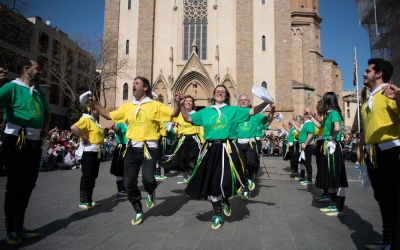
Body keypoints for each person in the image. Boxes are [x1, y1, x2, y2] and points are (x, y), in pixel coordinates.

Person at [87, 76, 180, 226]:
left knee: (148, 179)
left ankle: (150, 191)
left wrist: (179, 103)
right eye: (133, 84)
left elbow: (173, 114)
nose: (133, 86)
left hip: (149, 148)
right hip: (131, 148)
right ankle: (138, 209)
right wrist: (95, 103)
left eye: (137, 83)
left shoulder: (155, 105)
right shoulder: (128, 107)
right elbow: (108, 115)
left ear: (145, 87)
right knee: (129, 183)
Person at [176, 85, 269, 230]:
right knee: (213, 182)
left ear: (226, 95)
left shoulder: (233, 110)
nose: (220, 93)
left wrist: (267, 102)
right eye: (217, 91)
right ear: (213, 94)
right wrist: (181, 105)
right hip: (210, 150)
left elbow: (252, 111)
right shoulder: (205, 112)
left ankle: (225, 198)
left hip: (227, 149)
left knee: (225, 180)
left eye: (223, 92)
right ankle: (217, 213)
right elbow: (187, 118)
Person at [1, 60, 51, 246]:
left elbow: (47, 113)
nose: (39, 71)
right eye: (37, 68)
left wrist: (45, 128)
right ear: (26, 69)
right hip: (16, 140)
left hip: (34, 142)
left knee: (29, 183)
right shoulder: (11, 88)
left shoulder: (38, 92)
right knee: (15, 184)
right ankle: (11, 229)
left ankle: (20, 225)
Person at [358, 58, 399, 250]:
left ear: (379, 73)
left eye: (367, 71)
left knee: (392, 197)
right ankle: (387, 237)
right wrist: (361, 146)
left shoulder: (390, 94)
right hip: (372, 153)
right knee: (381, 197)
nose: (364, 74)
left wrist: (398, 97)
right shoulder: (368, 100)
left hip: (390, 151)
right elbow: (365, 128)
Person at [308, 92, 348, 216]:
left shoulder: (334, 113)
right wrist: (310, 116)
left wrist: (332, 137)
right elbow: (320, 125)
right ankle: (333, 203)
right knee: (330, 176)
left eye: (324, 100)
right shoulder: (329, 115)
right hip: (327, 147)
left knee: (336, 176)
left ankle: (338, 206)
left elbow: (337, 127)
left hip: (332, 147)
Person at [235, 94, 275, 200]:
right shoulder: (235, 113)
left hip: (250, 143)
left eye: (245, 100)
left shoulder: (255, 115)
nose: (243, 101)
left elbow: (268, 119)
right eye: (241, 100)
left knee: (251, 163)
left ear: (249, 102)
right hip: (238, 144)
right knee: (241, 167)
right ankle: (244, 189)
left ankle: (250, 176)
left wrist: (273, 109)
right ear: (239, 102)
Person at [158, 95, 202, 182]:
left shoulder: (197, 114)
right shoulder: (179, 115)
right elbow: (170, 124)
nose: (188, 102)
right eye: (186, 101)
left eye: (190, 101)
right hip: (183, 140)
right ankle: (188, 181)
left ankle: (194, 177)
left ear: (193, 104)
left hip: (194, 139)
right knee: (182, 162)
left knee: (194, 159)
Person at [71, 99, 104, 210]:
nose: (98, 112)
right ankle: (83, 199)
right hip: (88, 151)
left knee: (93, 175)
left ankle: (89, 198)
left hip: (96, 151)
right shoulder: (85, 119)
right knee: (87, 175)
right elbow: (74, 127)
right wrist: (84, 137)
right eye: (97, 109)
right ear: (92, 109)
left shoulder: (93, 121)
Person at [305, 101, 330, 201]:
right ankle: (325, 191)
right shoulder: (324, 116)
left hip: (324, 141)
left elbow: (320, 123)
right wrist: (312, 116)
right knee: (320, 167)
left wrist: (311, 114)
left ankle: (328, 193)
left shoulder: (328, 115)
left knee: (324, 168)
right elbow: (320, 124)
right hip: (320, 141)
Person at [291, 111, 314, 186]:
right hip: (303, 145)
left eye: (303, 115)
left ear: (305, 116)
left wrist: (305, 144)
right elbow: (299, 130)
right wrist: (293, 123)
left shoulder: (309, 123)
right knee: (302, 161)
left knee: (308, 163)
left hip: (306, 146)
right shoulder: (305, 124)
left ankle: (309, 180)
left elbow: (310, 134)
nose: (302, 116)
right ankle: (302, 175)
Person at [109, 122, 128, 196]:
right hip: (121, 147)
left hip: (128, 147)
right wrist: (113, 128)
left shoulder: (129, 124)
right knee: (119, 168)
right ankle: (120, 188)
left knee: (127, 168)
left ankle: (125, 186)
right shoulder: (120, 124)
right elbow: (116, 130)